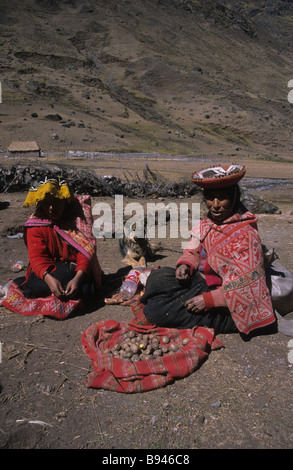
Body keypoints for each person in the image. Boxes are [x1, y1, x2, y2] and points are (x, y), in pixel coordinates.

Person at [140, 164, 277, 336]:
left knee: (157, 312)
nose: (216, 205)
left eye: (223, 198)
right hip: (204, 283)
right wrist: (186, 265)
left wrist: (209, 300)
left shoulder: (247, 235)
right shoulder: (208, 224)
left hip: (230, 304)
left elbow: (249, 286)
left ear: (234, 198)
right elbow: (192, 250)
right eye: (211, 198)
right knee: (158, 277)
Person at [14, 177, 102, 305]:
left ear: (65, 201)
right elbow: (37, 258)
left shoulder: (77, 219)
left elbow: (85, 252)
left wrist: (77, 278)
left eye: (56, 201)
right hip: (48, 270)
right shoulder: (35, 225)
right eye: (46, 202)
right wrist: (49, 280)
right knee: (39, 286)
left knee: (88, 288)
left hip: (74, 268)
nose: (51, 207)